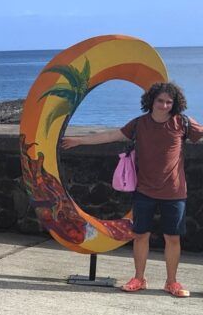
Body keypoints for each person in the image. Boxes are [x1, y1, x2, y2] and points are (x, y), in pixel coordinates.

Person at [62, 81, 202, 298]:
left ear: (174, 104)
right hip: (144, 190)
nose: (164, 105)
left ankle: (171, 282)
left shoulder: (182, 123)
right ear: (151, 101)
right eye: (160, 101)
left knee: (173, 238)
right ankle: (139, 278)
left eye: (168, 102)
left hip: (174, 192)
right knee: (140, 235)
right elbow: (110, 136)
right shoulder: (139, 124)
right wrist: (79, 141)